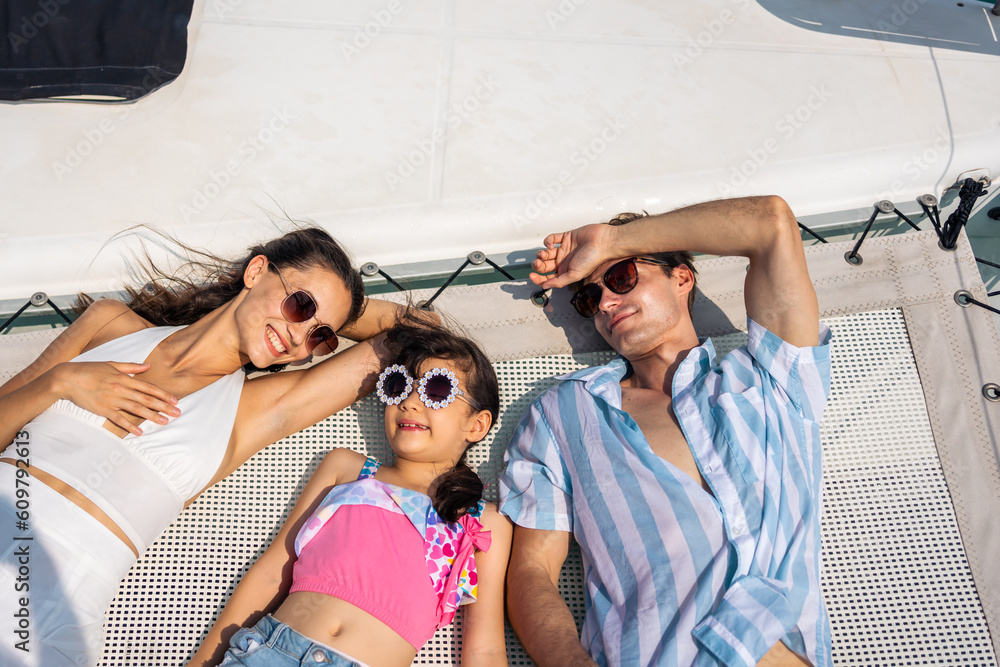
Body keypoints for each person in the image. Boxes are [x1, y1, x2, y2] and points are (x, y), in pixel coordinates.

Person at [0, 227, 409, 667]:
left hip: (51, 622)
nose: (298, 338)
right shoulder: (107, 326)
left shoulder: (251, 412)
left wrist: (338, 302)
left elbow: (416, 330)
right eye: (300, 305)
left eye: (319, 335)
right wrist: (59, 382)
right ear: (256, 271)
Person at [500, 196, 832, 667]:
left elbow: (771, 223)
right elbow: (531, 572)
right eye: (590, 298)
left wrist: (611, 241)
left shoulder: (772, 381)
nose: (606, 303)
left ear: (681, 277)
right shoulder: (564, 414)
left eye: (621, 277)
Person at [186, 321, 512, 667]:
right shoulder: (348, 468)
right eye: (398, 386)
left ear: (477, 425)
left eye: (435, 390)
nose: (410, 402)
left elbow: (485, 649)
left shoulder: (482, 521)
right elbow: (271, 572)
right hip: (266, 653)